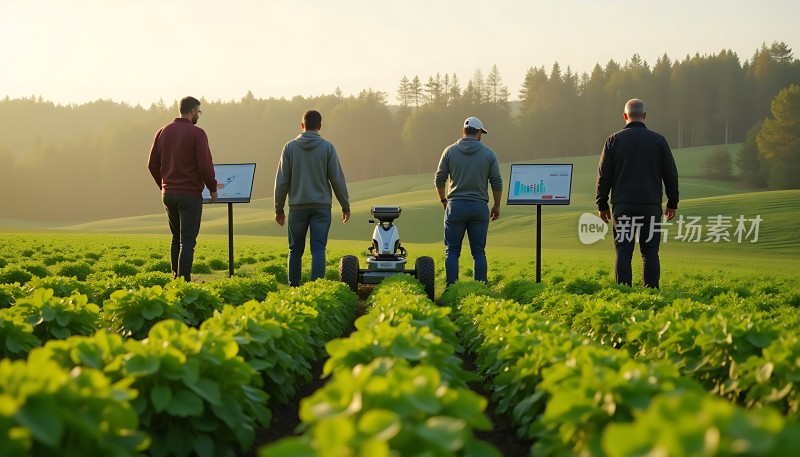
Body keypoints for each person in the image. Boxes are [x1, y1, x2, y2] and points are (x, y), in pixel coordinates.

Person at [596, 98, 679, 288]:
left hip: (623, 204)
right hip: (650, 205)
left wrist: (602, 204)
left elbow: (604, 175)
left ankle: (624, 292)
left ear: (625, 116)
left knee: (623, 251)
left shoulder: (613, 141)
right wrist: (672, 202)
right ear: (645, 115)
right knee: (650, 252)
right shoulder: (659, 140)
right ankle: (651, 293)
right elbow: (670, 173)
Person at [274, 109, 350, 287]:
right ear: (320, 126)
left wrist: (279, 208)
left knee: (295, 250)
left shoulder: (289, 148)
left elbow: (282, 181)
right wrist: (345, 206)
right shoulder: (328, 148)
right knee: (318, 249)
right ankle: (316, 288)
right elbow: (337, 180)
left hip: (297, 207)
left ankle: (294, 287)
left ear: (302, 125)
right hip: (322, 207)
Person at [148, 96, 217, 282]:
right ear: (192, 111)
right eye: (199, 112)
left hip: (168, 194)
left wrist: (164, 185)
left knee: (175, 237)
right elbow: (204, 165)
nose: (199, 115)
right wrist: (212, 187)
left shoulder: (162, 131)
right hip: (189, 195)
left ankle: (175, 279)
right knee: (187, 240)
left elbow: (152, 165)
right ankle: (184, 281)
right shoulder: (198, 133)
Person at [435, 116, 503, 286]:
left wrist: (443, 200)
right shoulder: (489, 154)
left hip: (455, 206)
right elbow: (496, 182)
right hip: (479, 207)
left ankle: (451, 287)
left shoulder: (449, 151)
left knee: (452, 251)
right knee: (479, 252)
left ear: (463, 131)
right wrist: (496, 205)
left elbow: (439, 179)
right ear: (479, 132)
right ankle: (480, 287)